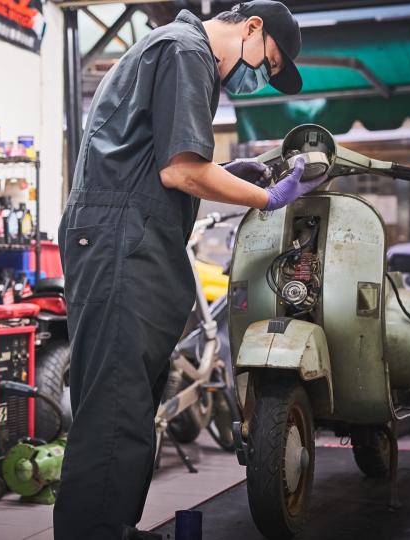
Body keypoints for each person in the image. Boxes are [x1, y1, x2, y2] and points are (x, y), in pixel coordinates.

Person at [54, 2, 322, 539]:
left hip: (127, 239)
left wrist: (222, 173)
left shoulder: (173, 51)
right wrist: (267, 196)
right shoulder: (185, 52)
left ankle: (110, 527)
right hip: (122, 243)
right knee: (115, 411)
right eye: (267, 63)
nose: (260, 78)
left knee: (125, 408)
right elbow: (180, 171)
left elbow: (156, 162)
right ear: (251, 28)